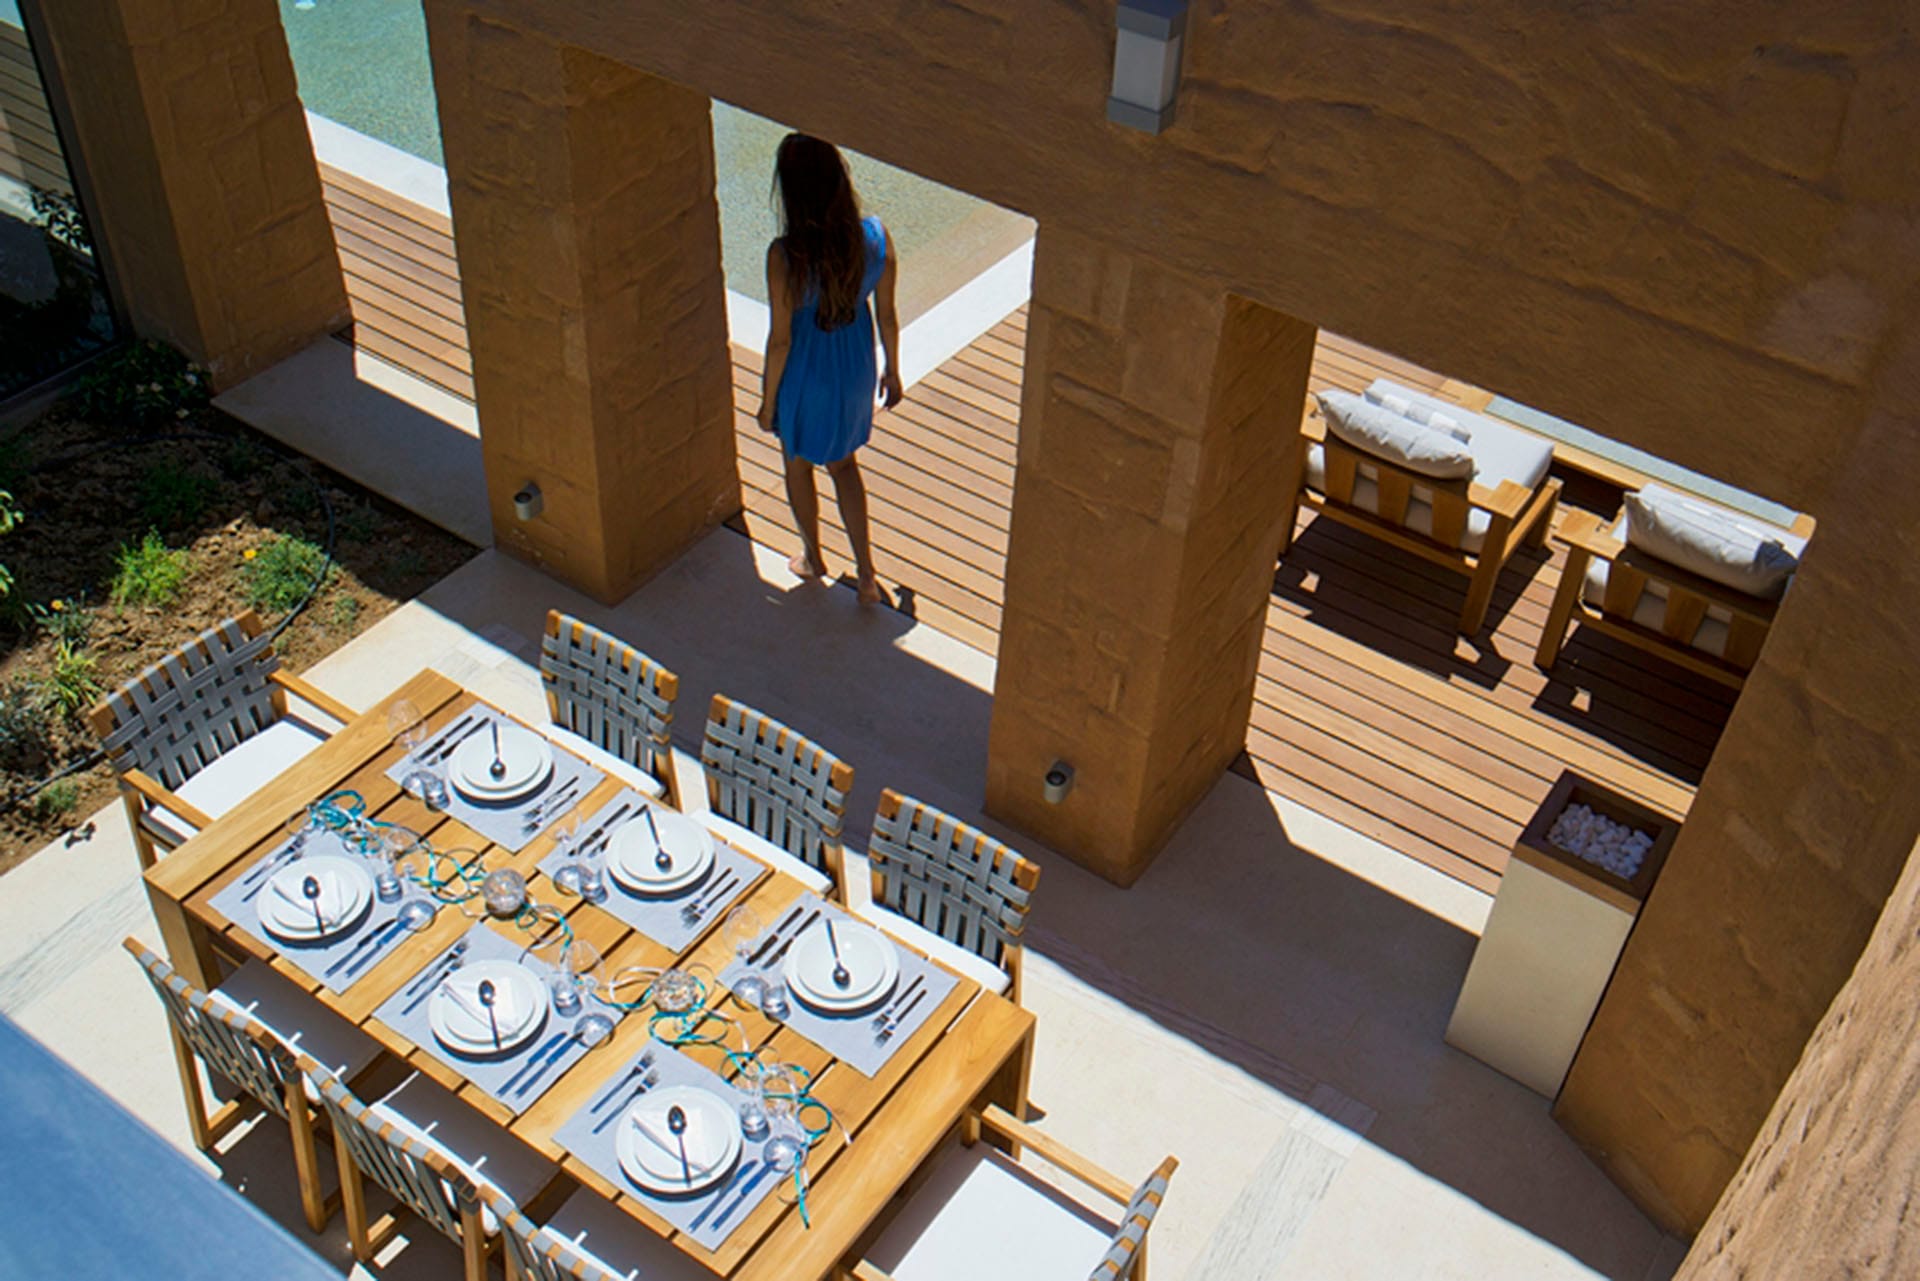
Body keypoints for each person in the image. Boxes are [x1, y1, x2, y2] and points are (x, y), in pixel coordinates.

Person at [757, 133, 902, 606]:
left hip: (807, 371)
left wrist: (767, 403)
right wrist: (892, 370)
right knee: (844, 465)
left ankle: (813, 557)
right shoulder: (874, 238)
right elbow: (887, 316)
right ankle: (866, 575)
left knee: (797, 464)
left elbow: (780, 340)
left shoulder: (786, 257)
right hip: (854, 368)